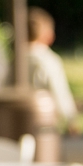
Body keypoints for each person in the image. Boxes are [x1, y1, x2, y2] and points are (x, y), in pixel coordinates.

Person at [26, 7, 79, 135]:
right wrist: (71, 119)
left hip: (19, 120)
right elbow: (59, 91)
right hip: (44, 122)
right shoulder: (49, 60)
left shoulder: (15, 60)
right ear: (49, 36)